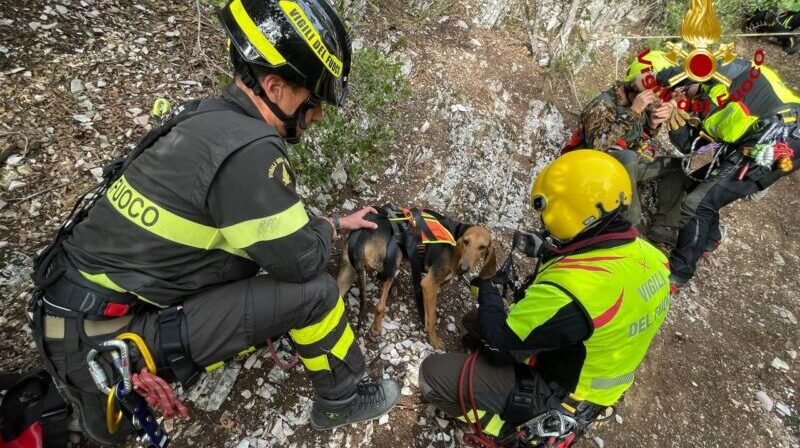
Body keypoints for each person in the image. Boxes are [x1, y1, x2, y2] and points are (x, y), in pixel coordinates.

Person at [28, 0, 400, 445]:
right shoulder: (252, 153)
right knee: (316, 293)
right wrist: (324, 232)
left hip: (71, 311)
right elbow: (300, 261)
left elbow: (256, 226)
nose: (317, 115)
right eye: (314, 99)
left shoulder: (206, 117)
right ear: (276, 86)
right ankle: (340, 399)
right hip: (100, 344)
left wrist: (335, 222)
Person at [419, 150, 672, 446]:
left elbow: (500, 344)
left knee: (432, 375)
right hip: (597, 375)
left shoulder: (574, 289)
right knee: (473, 323)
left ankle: (515, 430)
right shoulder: (653, 259)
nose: (543, 225)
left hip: (563, 395)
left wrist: (487, 285)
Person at [658, 58, 800, 290]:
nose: (688, 96)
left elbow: (693, 146)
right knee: (701, 188)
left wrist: (670, 109)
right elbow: (699, 144)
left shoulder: (716, 92)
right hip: (782, 130)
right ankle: (710, 240)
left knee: (697, 203)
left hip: (773, 143)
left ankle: (679, 272)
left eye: (687, 90)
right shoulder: (737, 68)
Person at [562, 51, 687, 246]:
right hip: (592, 166)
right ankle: (630, 223)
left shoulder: (640, 103)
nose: (653, 96)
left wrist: (652, 125)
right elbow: (597, 145)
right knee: (628, 157)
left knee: (676, 165)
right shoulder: (604, 103)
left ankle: (664, 227)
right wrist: (633, 112)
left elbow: (637, 139)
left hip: (625, 165)